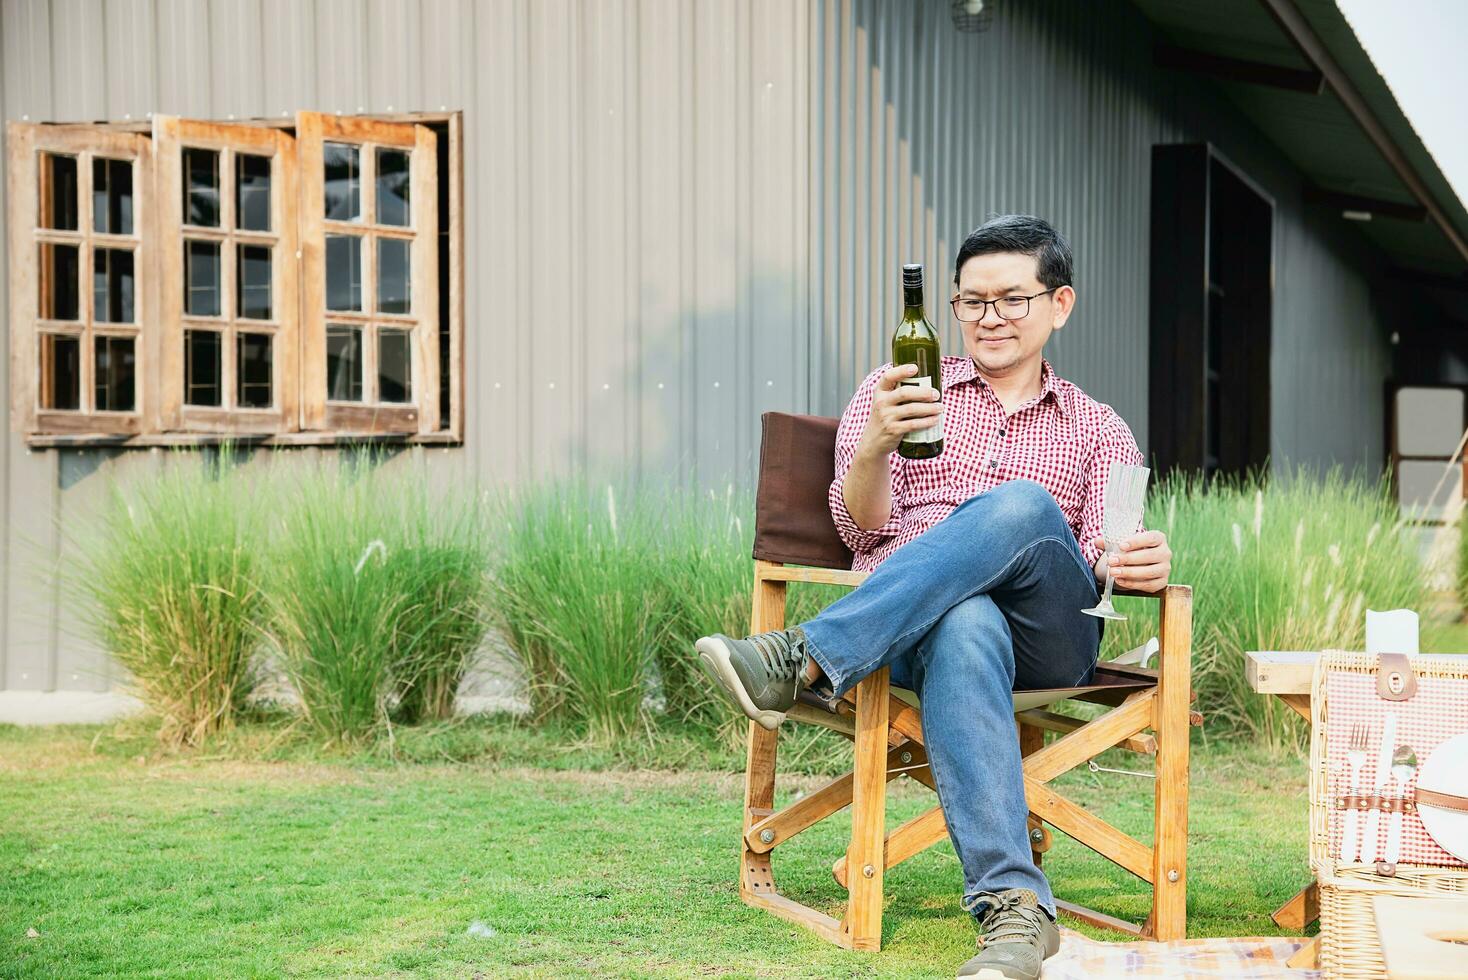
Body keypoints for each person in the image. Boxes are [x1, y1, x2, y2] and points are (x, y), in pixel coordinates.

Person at [695, 214, 1173, 980]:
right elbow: (862, 528)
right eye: (972, 301)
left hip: (1047, 641)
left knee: (1021, 507)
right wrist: (878, 444)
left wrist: (1141, 558)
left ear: (1060, 304)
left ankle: (806, 657)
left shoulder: (1097, 428)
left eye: (1012, 299)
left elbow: (1101, 554)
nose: (990, 318)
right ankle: (1016, 913)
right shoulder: (900, 391)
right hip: (915, 633)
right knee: (964, 617)